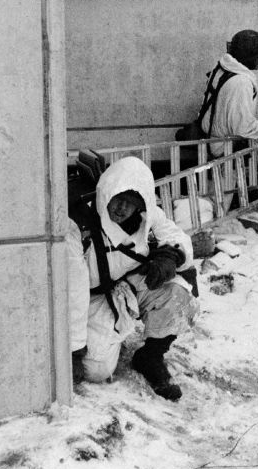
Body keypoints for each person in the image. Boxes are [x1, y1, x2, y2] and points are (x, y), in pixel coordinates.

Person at [68, 156, 198, 400]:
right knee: (96, 370)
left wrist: (170, 256)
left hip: (124, 288)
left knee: (179, 295)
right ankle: (105, 339)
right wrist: (75, 349)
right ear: (107, 192)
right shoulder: (78, 225)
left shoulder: (146, 216)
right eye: (119, 199)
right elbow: (73, 291)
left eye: (131, 203)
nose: (122, 209)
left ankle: (150, 356)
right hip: (89, 301)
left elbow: (176, 236)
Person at [191, 29, 258, 144]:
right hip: (226, 151)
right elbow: (244, 129)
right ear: (250, 57)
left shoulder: (222, 69)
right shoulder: (241, 82)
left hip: (212, 141)